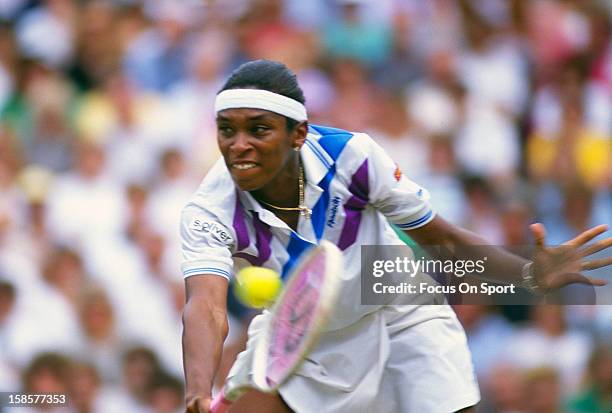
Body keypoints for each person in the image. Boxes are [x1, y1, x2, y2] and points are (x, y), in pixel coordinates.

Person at [181, 60, 611, 413]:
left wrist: (528, 277)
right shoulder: (209, 209)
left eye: (258, 129)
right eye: (226, 129)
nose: (238, 145)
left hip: (398, 307)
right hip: (300, 334)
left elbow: (442, 240)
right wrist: (197, 389)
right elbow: (206, 306)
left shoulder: (354, 157)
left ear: (299, 134)